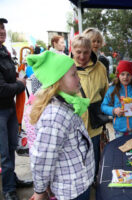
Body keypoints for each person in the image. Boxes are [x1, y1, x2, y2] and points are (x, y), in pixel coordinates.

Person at [28, 51, 94, 200]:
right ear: (57, 80)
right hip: (71, 191)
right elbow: (43, 158)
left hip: (78, 184)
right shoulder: (55, 116)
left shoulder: (66, 103)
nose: (79, 79)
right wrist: (40, 191)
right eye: (73, 75)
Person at [0, 17, 33, 200]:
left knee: (12, 147)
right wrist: (20, 84)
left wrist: (17, 77)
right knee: (4, 153)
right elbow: (2, 88)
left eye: (3, 28)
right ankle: (8, 190)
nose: (2, 31)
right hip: (1, 111)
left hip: (10, 108)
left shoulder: (4, 51)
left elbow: (8, 80)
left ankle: (12, 180)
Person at [71, 35, 109, 186]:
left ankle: (91, 180)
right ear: (72, 50)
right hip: (74, 119)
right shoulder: (67, 67)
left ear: (91, 51)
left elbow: (106, 93)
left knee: (93, 154)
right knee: (74, 155)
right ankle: (77, 182)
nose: (82, 56)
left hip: (94, 121)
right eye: (78, 51)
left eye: (85, 52)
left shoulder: (100, 67)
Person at [101, 60, 132, 138]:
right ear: (118, 75)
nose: (125, 77)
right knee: (121, 149)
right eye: (122, 74)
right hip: (120, 130)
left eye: (128, 74)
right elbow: (103, 106)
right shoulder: (112, 89)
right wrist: (114, 111)